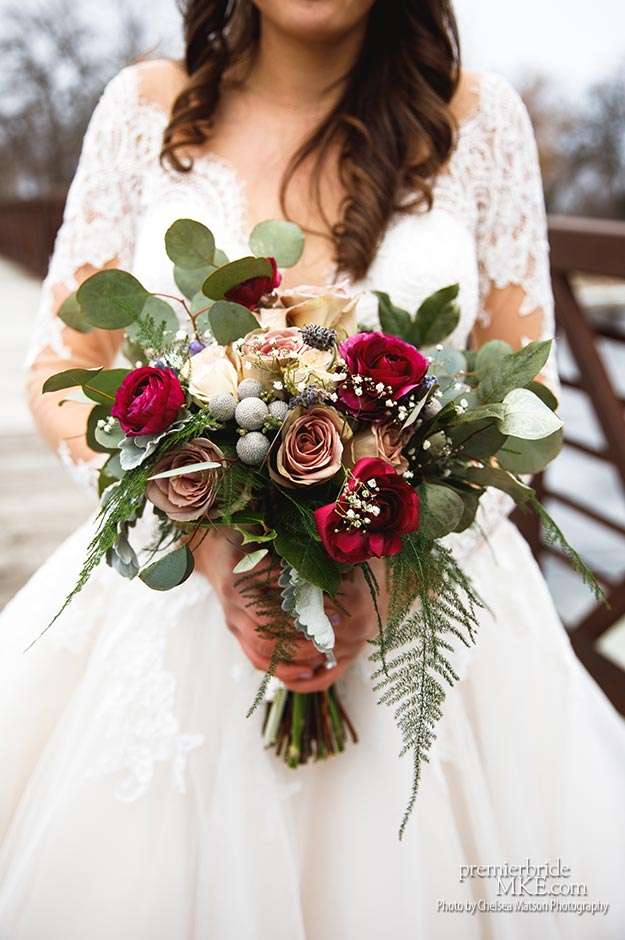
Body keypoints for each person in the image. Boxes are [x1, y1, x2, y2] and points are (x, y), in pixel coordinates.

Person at [1, 1, 624, 937]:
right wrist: (196, 522)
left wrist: (395, 550)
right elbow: (58, 363)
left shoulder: (478, 119)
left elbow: (524, 394)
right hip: (175, 599)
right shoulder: (143, 107)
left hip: (425, 604)